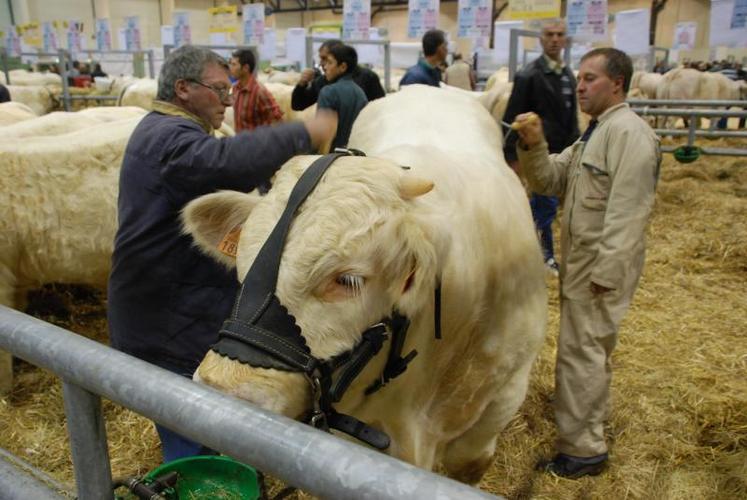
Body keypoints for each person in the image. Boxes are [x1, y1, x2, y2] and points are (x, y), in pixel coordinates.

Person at [107, 45, 336, 462]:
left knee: (198, 423)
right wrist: (301, 132)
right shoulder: (168, 139)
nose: (229, 98)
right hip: (165, 318)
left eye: (230, 87)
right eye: (218, 88)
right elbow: (221, 163)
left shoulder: (161, 130)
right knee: (190, 430)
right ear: (183, 89)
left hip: (166, 306)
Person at [513, 47, 660, 478]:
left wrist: (606, 274)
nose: (579, 86)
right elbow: (550, 178)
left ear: (617, 83)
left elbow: (629, 212)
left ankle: (582, 450)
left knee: (581, 354)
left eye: (590, 78)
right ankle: (587, 431)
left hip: (598, 269)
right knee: (587, 352)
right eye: (578, 78)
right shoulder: (594, 133)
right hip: (583, 265)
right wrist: (534, 145)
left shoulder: (629, 134)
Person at [502, 19, 579, 277]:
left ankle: (534, 249)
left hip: (563, 154)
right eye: (550, 34)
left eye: (560, 34)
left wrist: (577, 148)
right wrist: (512, 158)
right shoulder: (528, 76)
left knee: (548, 208)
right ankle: (544, 256)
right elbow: (513, 118)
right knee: (543, 207)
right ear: (541, 39)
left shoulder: (568, 75)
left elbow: (571, 118)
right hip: (537, 156)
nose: (555, 39)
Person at [292, 39, 384, 111]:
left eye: (327, 60)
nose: (322, 63)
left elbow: (381, 108)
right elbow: (298, 105)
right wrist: (301, 84)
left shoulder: (368, 77)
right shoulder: (322, 82)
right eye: (321, 59)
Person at [316, 43, 368, 150]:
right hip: (355, 154)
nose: (325, 67)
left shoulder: (328, 92)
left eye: (330, 63)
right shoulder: (360, 93)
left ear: (343, 67)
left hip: (331, 157)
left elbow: (322, 134)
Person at [229, 48, 283, 131]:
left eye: (234, 64)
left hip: (257, 143)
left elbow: (277, 120)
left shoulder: (259, 92)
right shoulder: (236, 88)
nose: (230, 68)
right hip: (241, 142)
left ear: (246, 68)